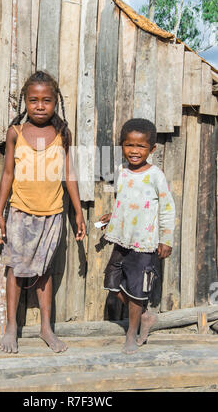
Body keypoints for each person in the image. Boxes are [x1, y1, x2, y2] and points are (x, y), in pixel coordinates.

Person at [0, 71, 86, 354]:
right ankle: (12, 326)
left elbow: (69, 174)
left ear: (56, 102)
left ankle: (47, 327)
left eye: (47, 100)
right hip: (21, 212)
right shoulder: (16, 133)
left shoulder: (62, 134)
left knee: (44, 271)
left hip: (53, 214)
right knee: (16, 270)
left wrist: (79, 213)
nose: (40, 106)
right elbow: (8, 174)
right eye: (33, 100)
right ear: (25, 101)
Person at [99, 118, 175, 354]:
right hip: (122, 240)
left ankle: (131, 333)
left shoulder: (155, 175)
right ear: (122, 145)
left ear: (152, 149)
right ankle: (144, 316)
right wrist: (113, 215)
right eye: (129, 145)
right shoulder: (120, 171)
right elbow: (125, 201)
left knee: (136, 290)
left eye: (141, 146)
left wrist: (166, 239)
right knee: (112, 282)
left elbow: (167, 208)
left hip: (145, 244)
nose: (134, 150)